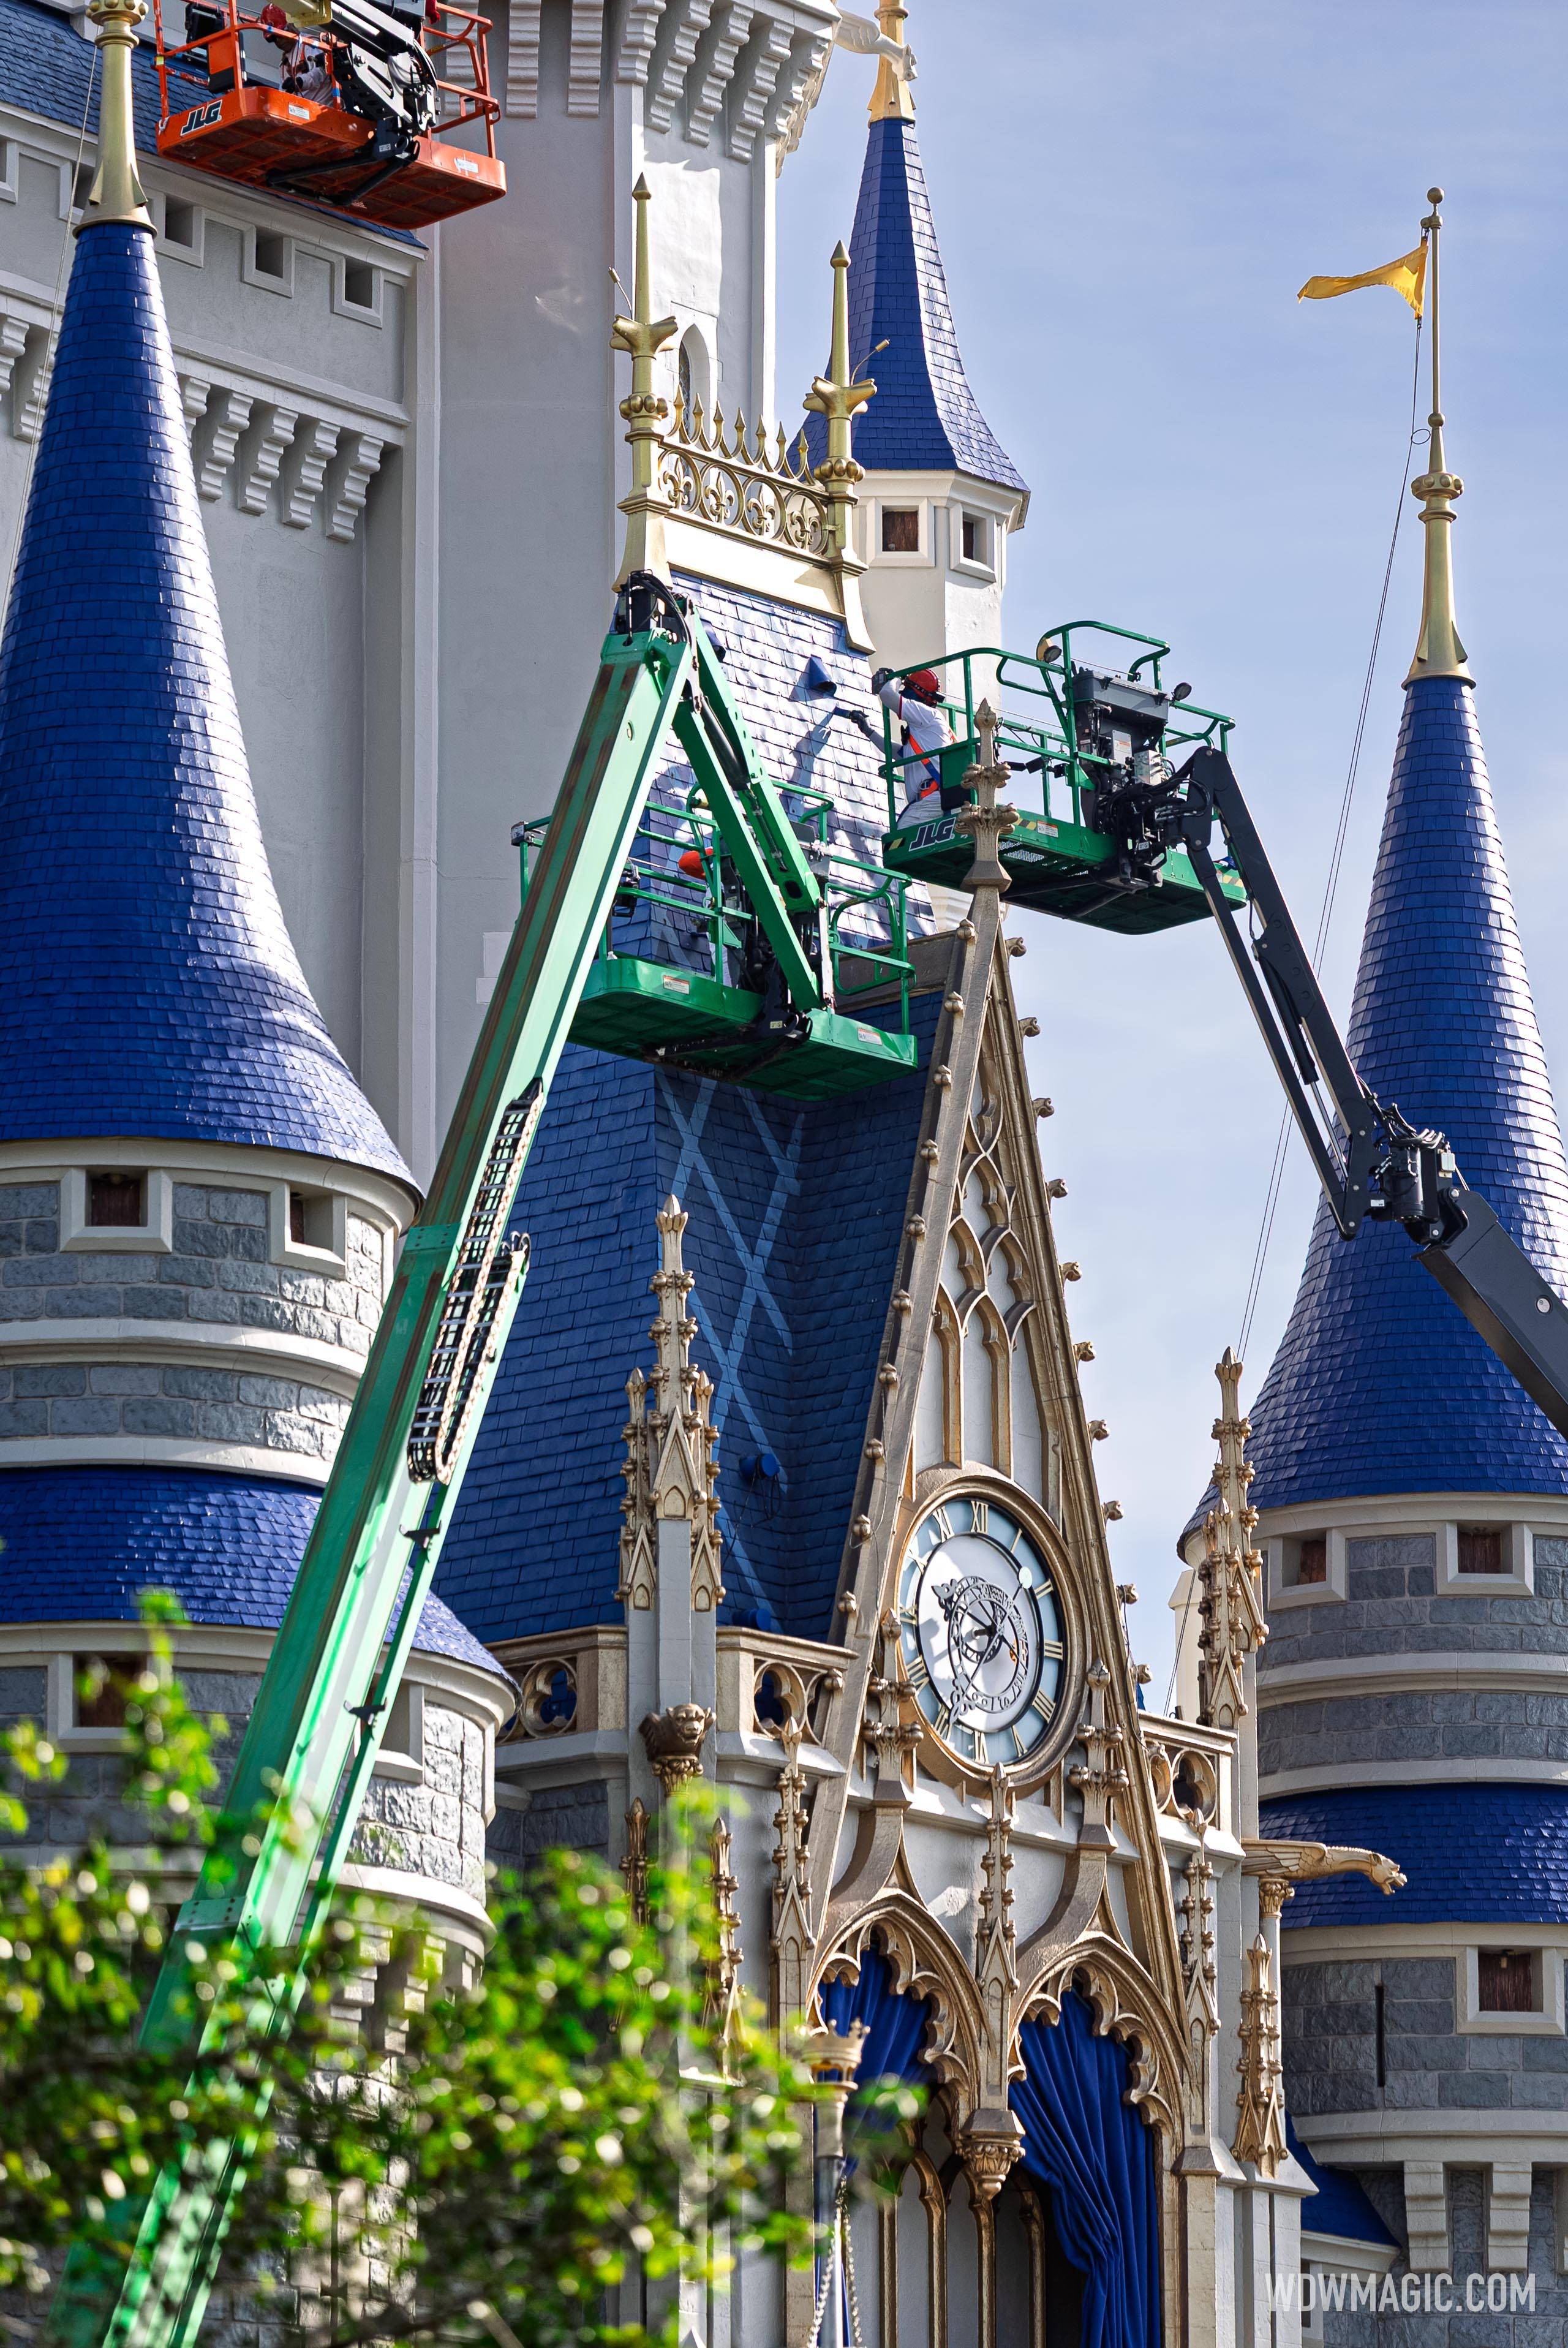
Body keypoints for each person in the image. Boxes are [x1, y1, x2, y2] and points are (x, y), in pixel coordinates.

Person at [872, 666, 952, 811]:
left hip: (930, 800)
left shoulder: (927, 714)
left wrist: (897, 678)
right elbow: (899, 754)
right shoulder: (923, 730)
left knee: (900, 833)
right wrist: (869, 731)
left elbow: (887, 694)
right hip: (935, 799)